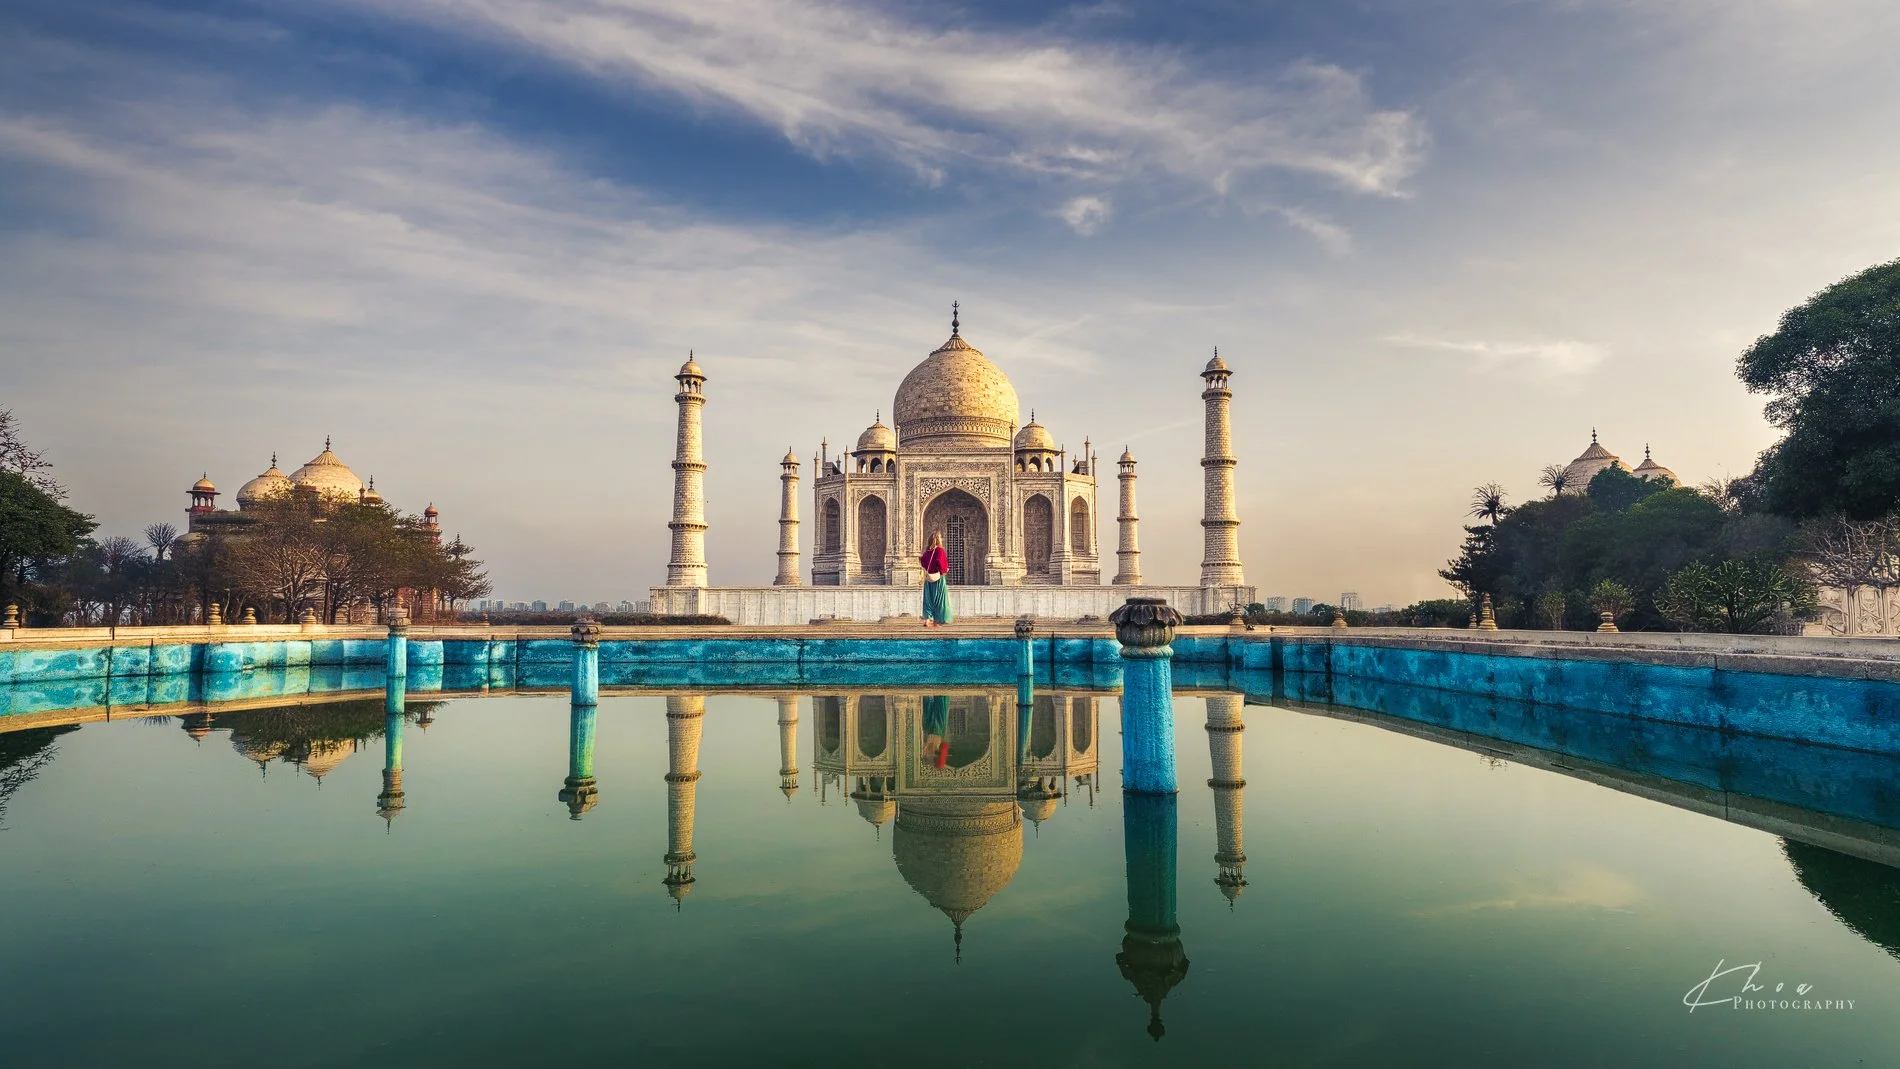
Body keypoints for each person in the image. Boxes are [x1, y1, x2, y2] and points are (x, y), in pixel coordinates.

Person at [920, 532, 953, 627]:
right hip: (938, 578)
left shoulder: (927, 552)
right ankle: (937, 620)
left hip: (928, 579)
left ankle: (927, 620)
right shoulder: (940, 551)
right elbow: (941, 564)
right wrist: (944, 570)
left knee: (928, 599)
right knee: (939, 599)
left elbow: (923, 563)